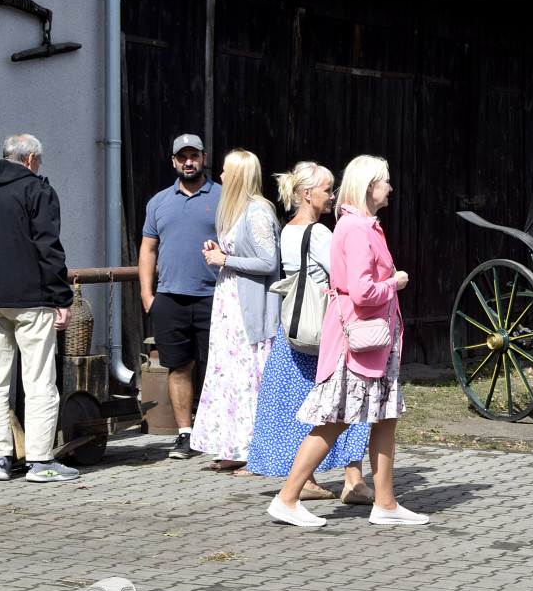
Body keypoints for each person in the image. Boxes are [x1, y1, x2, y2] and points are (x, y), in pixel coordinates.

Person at [267, 155, 428, 527]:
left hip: (375, 342)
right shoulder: (355, 229)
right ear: (370, 187)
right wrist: (394, 283)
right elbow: (362, 292)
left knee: (385, 418)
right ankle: (287, 499)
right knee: (335, 420)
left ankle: (385, 504)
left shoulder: (364, 226)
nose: (390, 188)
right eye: (385, 181)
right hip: (358, 343)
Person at [246, 162, 375, 504]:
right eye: (327, 190)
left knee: (300, 406)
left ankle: (308, 479)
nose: (332, 196)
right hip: (325, 330)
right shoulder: (318, 234)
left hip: (295, 330)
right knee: (349, 399)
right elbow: (344, 274)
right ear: (307, 194)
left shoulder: (288, 230)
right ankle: (353, 481)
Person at [0, 134, 77, 482]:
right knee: (39, 379)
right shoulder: (37, 189)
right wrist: (62, 298)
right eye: (38, 162)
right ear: (30, 160)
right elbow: (48, 247)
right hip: (32, 299)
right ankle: (40, 462)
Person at [190, 149, 281, 473]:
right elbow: (243, 253)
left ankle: (257, 454)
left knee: (249, 380)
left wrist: (225, 259)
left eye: (226, 171)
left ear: (239, 176)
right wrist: (220, 251)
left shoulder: (257, 212)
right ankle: (235, 447)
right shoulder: (237, 211)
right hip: (231, 306)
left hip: (248, 310)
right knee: (230, 378)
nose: (221, 176)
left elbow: (269, 262)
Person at [139, 134, 221, 459]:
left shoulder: (223, 197)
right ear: (174, 161)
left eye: (194, 156)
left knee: (219, 368)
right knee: (178, 367)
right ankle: (185, 435)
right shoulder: (158, 202)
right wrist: (148, 296)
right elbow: (148, 249)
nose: (189, 162)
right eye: (182, 157)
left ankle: (219, 435)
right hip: (170, 299)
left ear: (204, 158)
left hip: (215, 297)